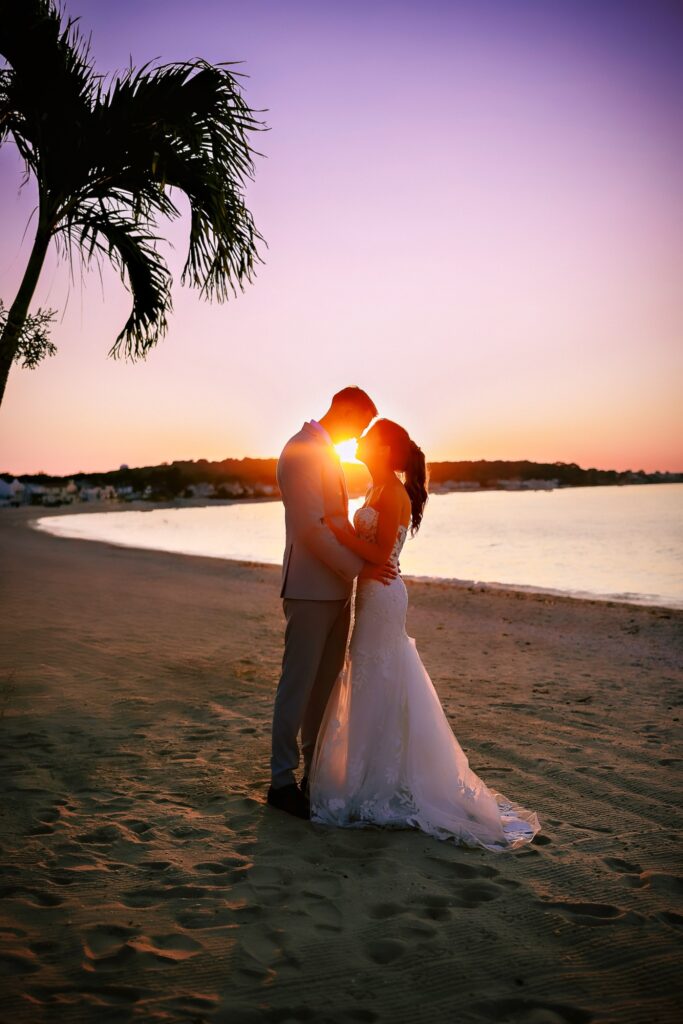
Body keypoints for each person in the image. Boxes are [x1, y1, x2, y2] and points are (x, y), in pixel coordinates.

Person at [309, 418, 542, 851]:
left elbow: (380, 554)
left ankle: (379, 784)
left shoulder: (393, 492)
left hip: (383, 596)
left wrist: (339, 529)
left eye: (367, 438)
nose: (358, 441)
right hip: (371, 593)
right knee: (370, 680)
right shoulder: (375, 490)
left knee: (377, 678)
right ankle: (369, 776)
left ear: (382, 449)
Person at [268, 387, 398, 819]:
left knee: (323, 692)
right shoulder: (301, 449)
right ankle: (282, 782)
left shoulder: (328, 453)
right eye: (360, 424)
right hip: (308, 588)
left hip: (338, 591)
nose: (360, 434)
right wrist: (357, 568)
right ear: (344, 410)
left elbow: (338, 522)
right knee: (297, 686)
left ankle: (314, 776)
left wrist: (356, 570)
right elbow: (311, 527)